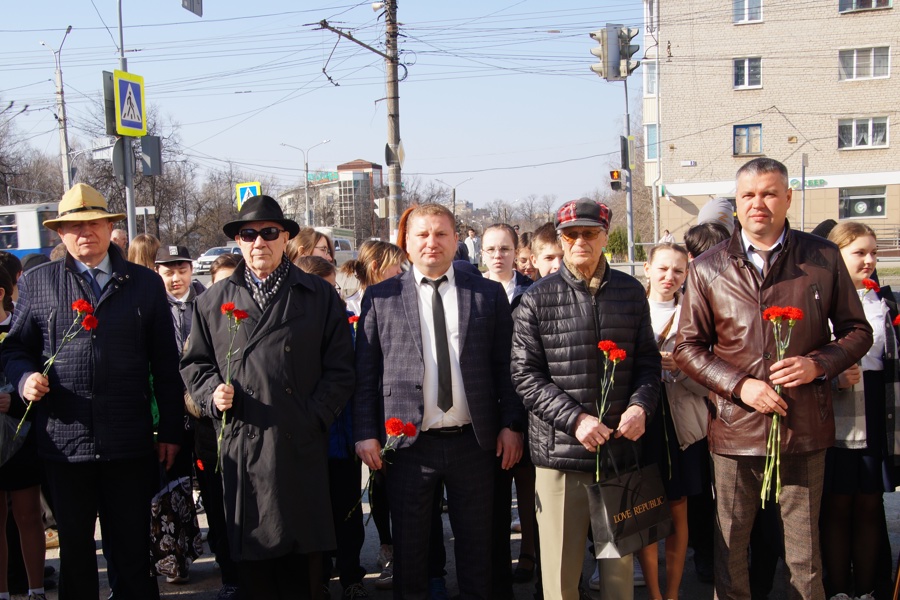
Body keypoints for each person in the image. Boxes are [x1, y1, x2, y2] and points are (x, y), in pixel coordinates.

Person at [674, 158, 873, 600]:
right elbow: (688, 348)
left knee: (804, 555)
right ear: (737, 204)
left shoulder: (821, 256)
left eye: (769, 193)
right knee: (731, 551)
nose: (758, 203)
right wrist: (740, 385)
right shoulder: (708, 267)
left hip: (803, 427)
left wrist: (818, 363)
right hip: (734, 430)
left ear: (787, 198)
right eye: (748, 195)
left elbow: (858, 332)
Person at [2, 183, 184, 599]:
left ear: (109, 227)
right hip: (65, 445)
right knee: (77, 555)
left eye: (96, 222)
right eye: (75, 225)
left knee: (132, 551)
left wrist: (171, 430)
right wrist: (25, 377)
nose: (86, 232)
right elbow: (14, 348)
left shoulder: (143, 284)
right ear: (60, 234)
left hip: (128, 442)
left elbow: (166, 365)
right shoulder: (39, 283)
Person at [181, 195, 355, 600]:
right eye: (249, 234)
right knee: (256, 570)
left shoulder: (317, 295)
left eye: (269, 233)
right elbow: (194, 366)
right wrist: (212, 395)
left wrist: (314, 417)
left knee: (305, 572)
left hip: (300, 446)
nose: (259, 242)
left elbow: (342, 368)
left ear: (285, 239)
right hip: (245, 446)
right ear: (238, 243)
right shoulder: (212, 300)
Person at [353, 203, 524, 599]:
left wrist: (511, 425)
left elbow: (507, 367)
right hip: (410, 447)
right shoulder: (382, 298)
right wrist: (366, 433)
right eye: (423, 235)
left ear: (456, 240)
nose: (432, 242)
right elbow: (366, 376)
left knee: (478, 553)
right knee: (412, 556)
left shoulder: (486, 294)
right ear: (407, 243)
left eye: (441, 233)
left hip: (475, 444)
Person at [510, 198, 660, 600]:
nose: (580, 241)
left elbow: (648, 361)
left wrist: (641, 406)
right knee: (560, 577)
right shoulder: (537, 298)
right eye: (571, 234)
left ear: (604, 236)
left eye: (589, 233)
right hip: (561, 455)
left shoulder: (630, 292)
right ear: (560, 239)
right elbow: (524, 375)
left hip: (618, 451)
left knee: (618, 575)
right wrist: (576, 419)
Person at [822, 222, 899, 600]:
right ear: (837, 255)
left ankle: (868, 590)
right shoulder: (823, 302)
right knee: (837, 506)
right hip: (839, 410)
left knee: (870, 504)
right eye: (859, 253)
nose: (869, 260)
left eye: (873, 252)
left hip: (877, 407)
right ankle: (837, 591)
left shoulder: (884, 302)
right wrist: (832, 375)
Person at [295, 255, 370, 599]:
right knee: (314, 515)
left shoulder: (346, 322)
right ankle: (319, 578)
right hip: (309, 441)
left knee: (348, 512)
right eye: (325, 288)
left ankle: (352, 575)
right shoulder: (296, 323)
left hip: (344, 437)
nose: (332, 295)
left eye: (334, 288)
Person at [635, 242, 706, 600]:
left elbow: (711, 382)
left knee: (678, 510)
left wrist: (684, 367)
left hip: (683, 426)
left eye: (678, 271)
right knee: (646, 513)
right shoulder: (630, 309)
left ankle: (674, 592)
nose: (669, 277)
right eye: (662, 268)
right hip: (640, 423)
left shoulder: (695, 315)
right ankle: (654, 593)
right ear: (647, 269)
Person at [188, 254, 242, 599]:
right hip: (212, 440)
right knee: (220, 515)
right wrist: (210, 398)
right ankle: (229, 575)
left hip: (249, 442)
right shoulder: (204, 323)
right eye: (221, 284)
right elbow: (189, 388)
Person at [151, 245, 205, 585]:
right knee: (171, 489)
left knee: (212, 488)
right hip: (170, 413)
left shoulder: (207, 301)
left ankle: (226, 556)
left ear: (191, 270)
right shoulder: (153, 308)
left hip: (204, 411)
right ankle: (176, 559)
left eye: (181, 270)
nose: (175, 278)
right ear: (158, 273)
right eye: (168, 271)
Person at [0, 265, 46, 600]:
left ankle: (36, 589)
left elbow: (41, 378)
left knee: (28, 515)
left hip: (22, 434)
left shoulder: (18, 326)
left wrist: (13, 401)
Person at [341, 240, 406, 316]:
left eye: (400, 265)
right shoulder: (350, 307)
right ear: (375, 267)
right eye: (395, 264)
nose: (400, 271)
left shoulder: (401, 300)